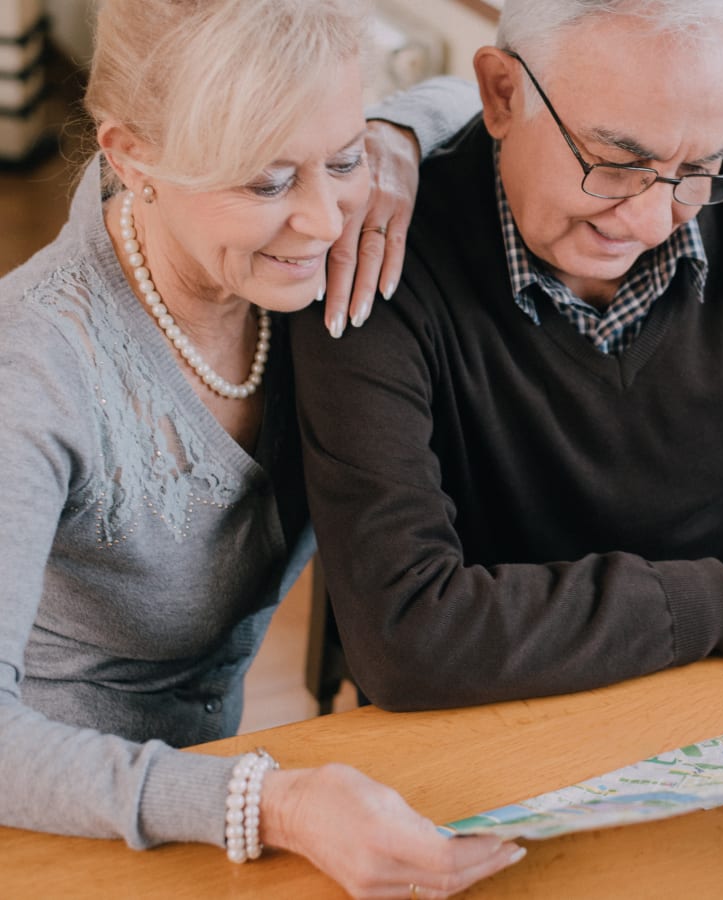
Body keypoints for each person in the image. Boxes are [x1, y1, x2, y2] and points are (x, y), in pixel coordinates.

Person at [0, 0, 525, 896]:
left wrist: (397, 137)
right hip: (57, 824)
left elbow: (502, 85)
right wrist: (268, 803)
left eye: (344, 158)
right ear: (131, 156)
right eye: (267, 182)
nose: (325, 220)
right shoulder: (35, 366)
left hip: (233, 796)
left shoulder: (295, 271)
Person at [293, 0, 723, 713]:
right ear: (502, 94)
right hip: (493, 704)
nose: (650, 221)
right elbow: (406, 633)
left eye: (700, 168)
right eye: (615, 163)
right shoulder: (380, 260)